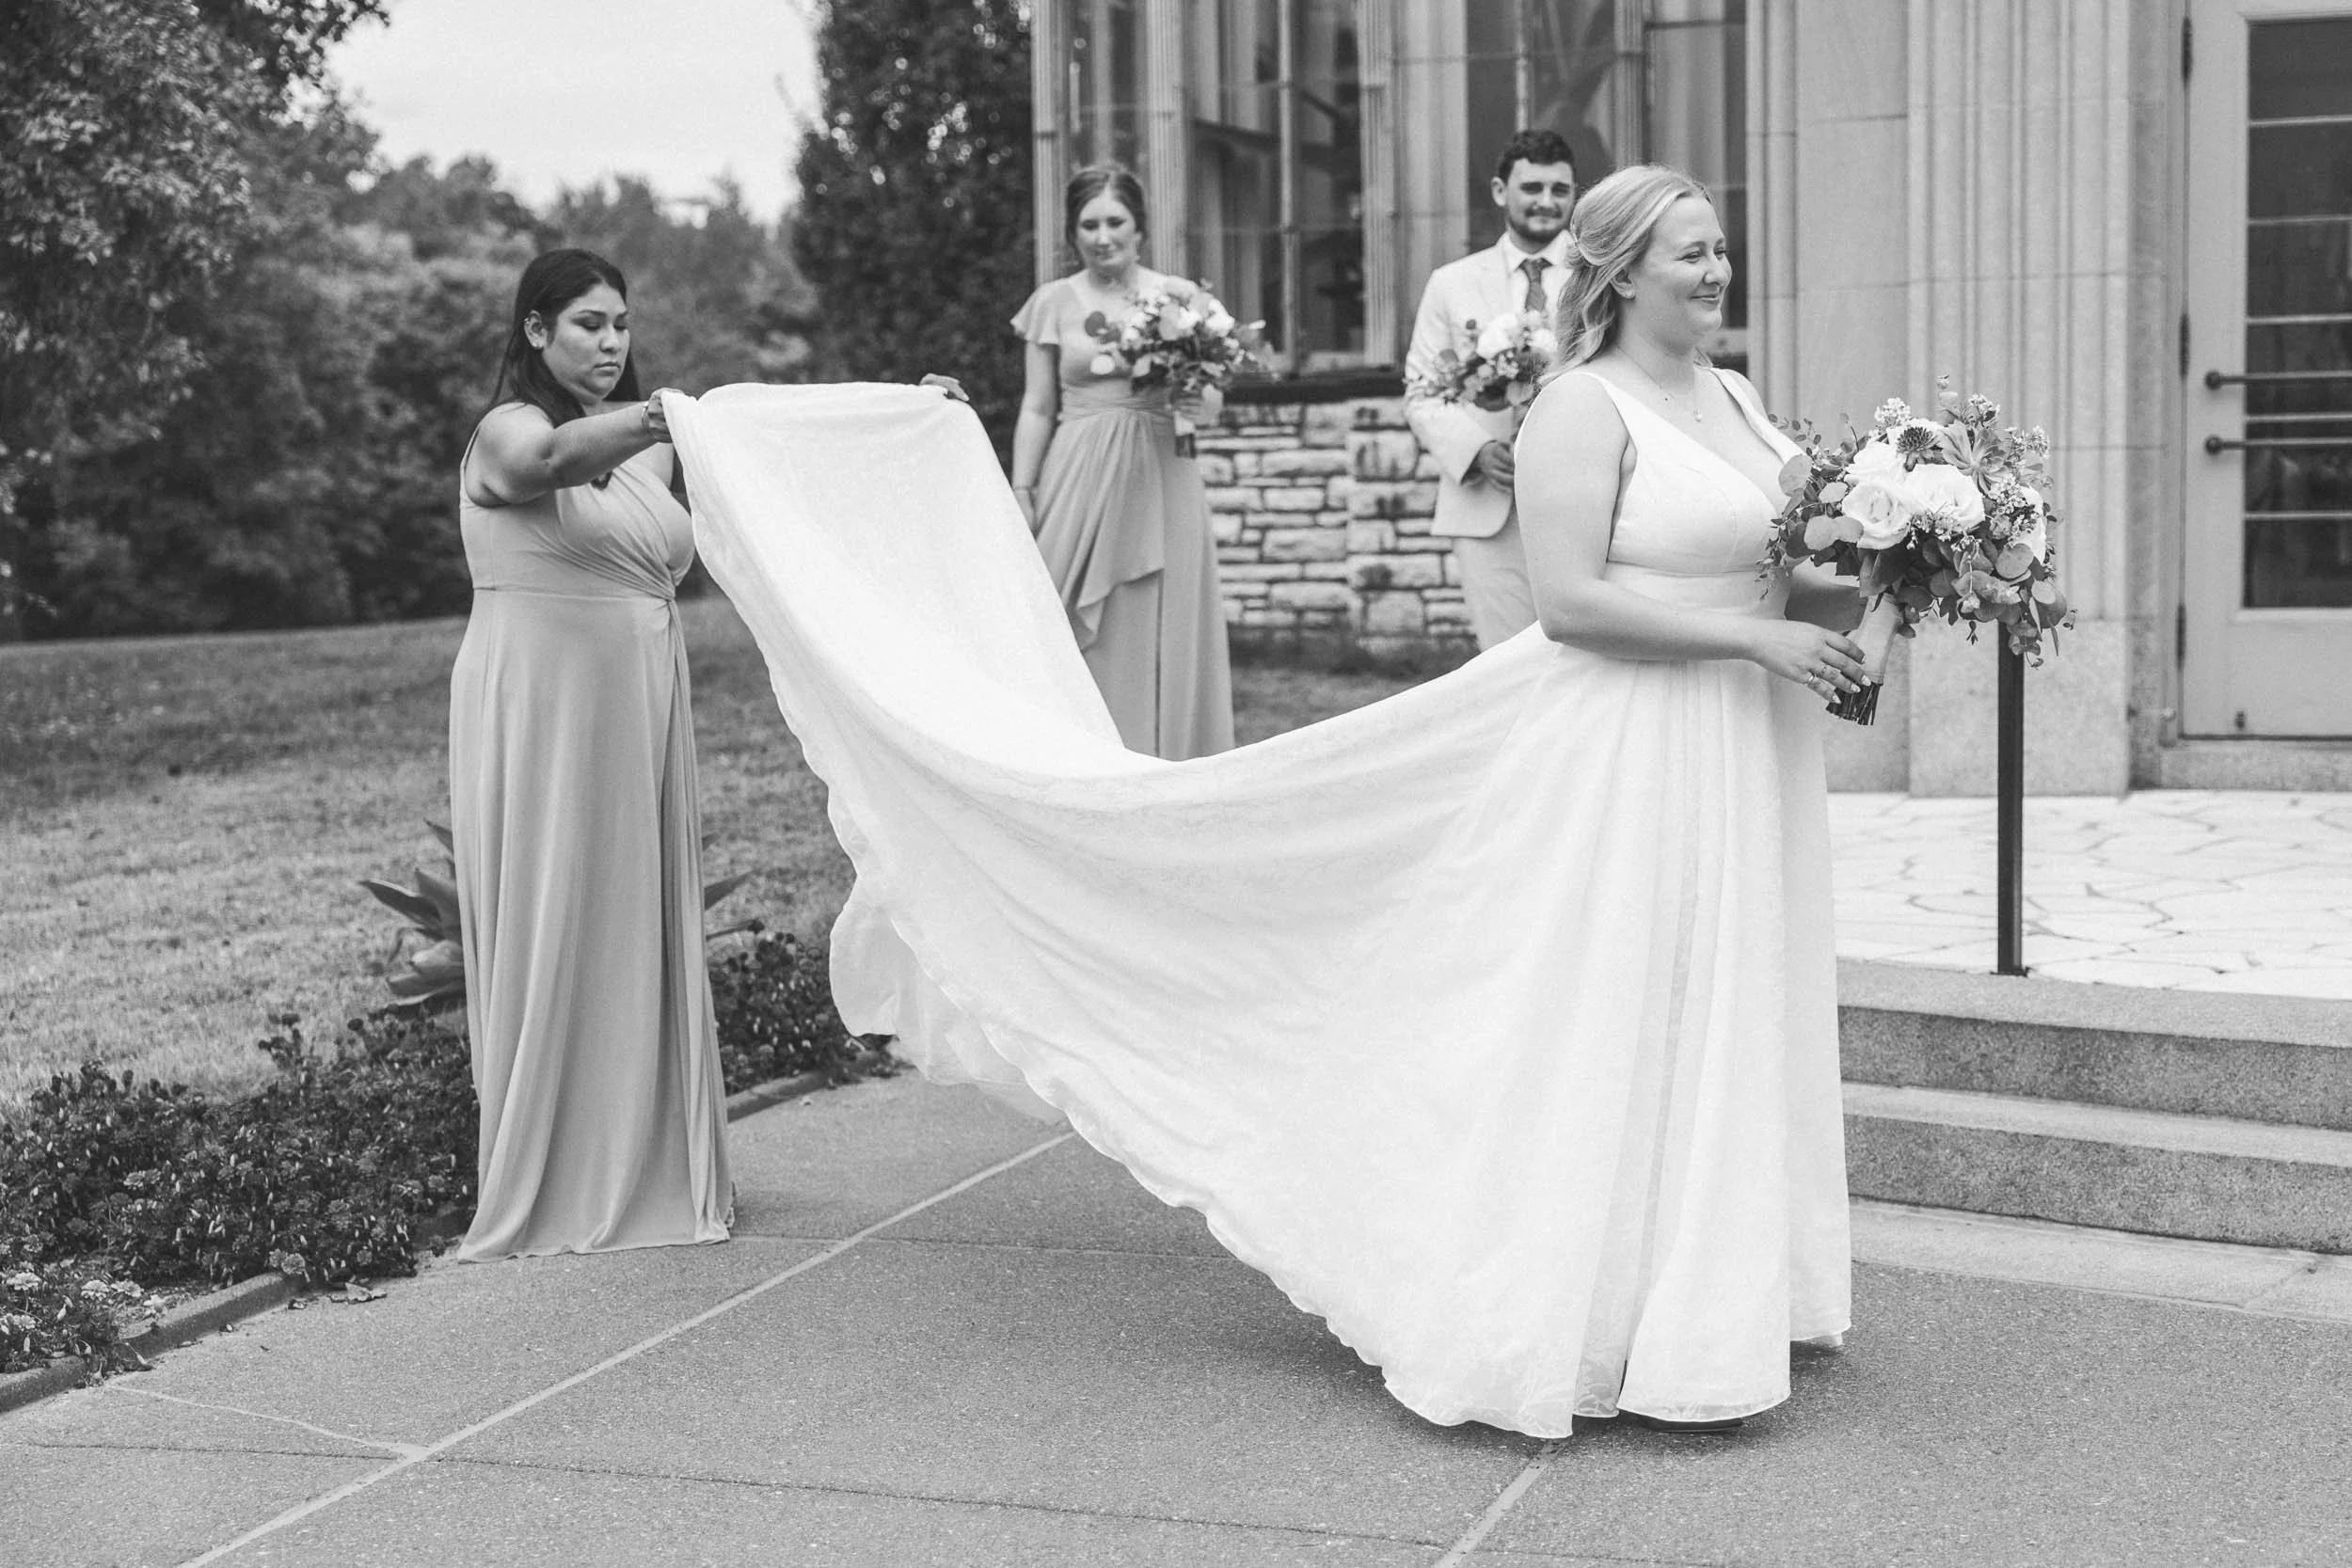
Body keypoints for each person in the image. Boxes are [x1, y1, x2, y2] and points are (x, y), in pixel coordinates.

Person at [663, 163, 1867, 1436]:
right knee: (1618, 1005)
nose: (1718, 270)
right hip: (1633, 752)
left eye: (1721, 248)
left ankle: (1719, 1291)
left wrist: (1888, 582)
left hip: (1739, 746)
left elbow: (1774, 568)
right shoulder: (1584, 406)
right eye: (1692, 253)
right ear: (1623, 272)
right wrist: (1754, 644)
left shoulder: (1734, 394)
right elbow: (1570, 601)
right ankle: (1604, 1304)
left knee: (1720, 995)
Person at [448, 248, 731, 1261]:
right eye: (587, 326)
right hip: (543, 709)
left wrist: (893, 415)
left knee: (629, 908)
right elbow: (544, 465)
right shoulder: (507, 430)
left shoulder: (644, 455)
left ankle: (643, 1151)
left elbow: (756, 447)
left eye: (620, 325)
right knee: (556, 899)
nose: (610, 344)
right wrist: (665, 413)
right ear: (536, 330)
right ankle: (557, 1165)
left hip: (639, 706)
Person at [1009, 163, 1235, 760]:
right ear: (1072, 232)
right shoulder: (1051, 302)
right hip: (1077, 472)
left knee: (1158, 614)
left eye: (1115, 221)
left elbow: (1211, 395)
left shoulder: (1181, 297)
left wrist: (1199, 399)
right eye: (1089, 224)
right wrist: (1023, 489)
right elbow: (1036, 405)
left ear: (1139, 227)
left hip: (1163, 472)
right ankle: (1076, 759)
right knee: (1063, 625)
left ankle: (1163, 759)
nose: (1102, 235)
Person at [1404, 127, 1579, 649]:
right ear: (1502, 191)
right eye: (1532, 188)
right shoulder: (1451, 282)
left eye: (1560, 190)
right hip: (1488, 506)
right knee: (1502, 666)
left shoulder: (1600, 277)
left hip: (1584, 498)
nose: (1547, 202)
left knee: (1583, 665)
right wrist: (1477, 451)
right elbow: (1422, 390)